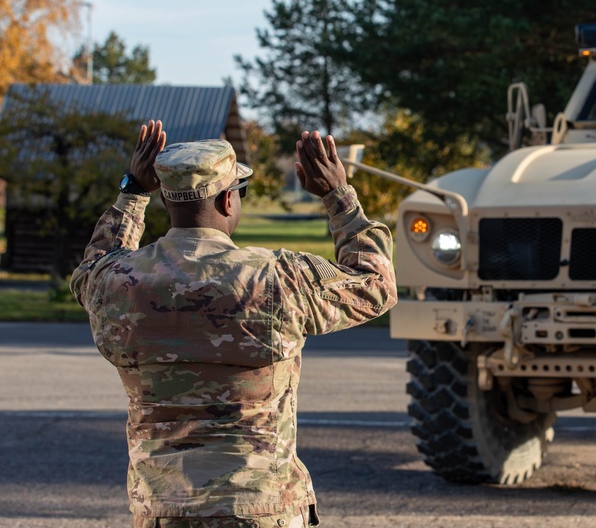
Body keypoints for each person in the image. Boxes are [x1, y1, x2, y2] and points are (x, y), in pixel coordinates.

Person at [71, 120, 398, 528]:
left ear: (167, 201)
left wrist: (132, 193)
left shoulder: (118, 283)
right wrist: (339, 197)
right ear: (228, 201)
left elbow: (91, 267)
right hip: (259, 508)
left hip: (162, 510)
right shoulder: (279, 278)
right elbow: (375, 284)